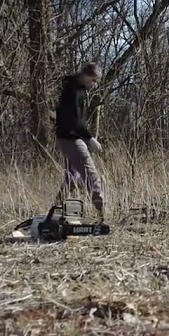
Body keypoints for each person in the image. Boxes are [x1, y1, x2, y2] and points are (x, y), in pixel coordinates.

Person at [54, 62, 106, 220]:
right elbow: (75, 122)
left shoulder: (74, 88)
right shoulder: (74, 92)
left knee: (72, 177)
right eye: (93, 80)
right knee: (92, 175)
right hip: (71, 138)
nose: (94, 84)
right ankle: (102, 214)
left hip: (68, 137)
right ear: (85, 76)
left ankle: (55, 211)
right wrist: (89, 138)